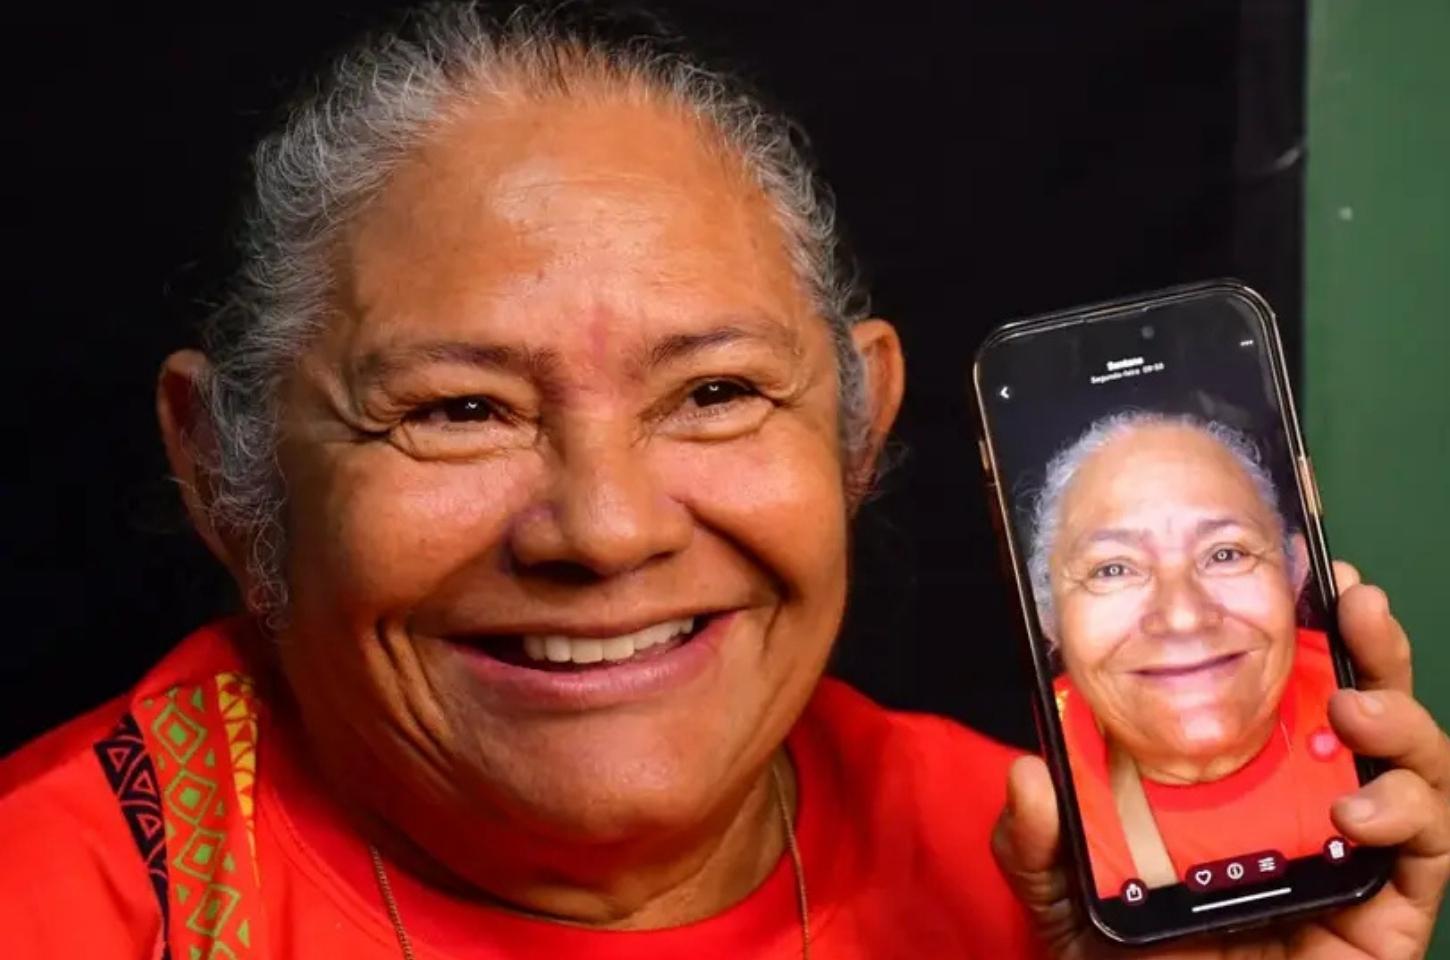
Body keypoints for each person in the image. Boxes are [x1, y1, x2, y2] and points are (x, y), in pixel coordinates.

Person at [2, 5, 1446, 958]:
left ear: (860, 426)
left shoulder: (1036, 868)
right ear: (221, 470)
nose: (608, 528)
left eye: (712, 394)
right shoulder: (67, 897)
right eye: (456, 409)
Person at [1028, 412, 1360, 897]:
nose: (1183, 616)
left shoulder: (1361, 711)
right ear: (1047, 615)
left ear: (1295, 572)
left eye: (1225, 553)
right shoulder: (1023, 775)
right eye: (1114, 568)